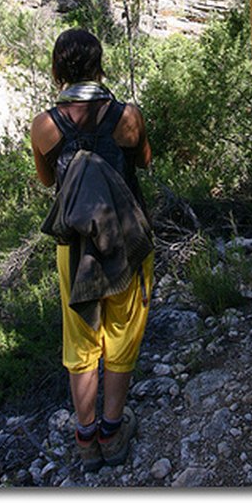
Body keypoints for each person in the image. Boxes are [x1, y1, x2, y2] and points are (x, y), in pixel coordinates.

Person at [30, 28, 154, 472]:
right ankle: (113, 430)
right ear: (100, 64)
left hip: (74, 244)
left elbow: (48, 182)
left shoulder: (44, 124)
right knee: (122, 332)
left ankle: (86, 442)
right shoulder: (127, 116)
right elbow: (144, 160)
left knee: (81, 340)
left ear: (58, 69)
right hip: (127, 240)